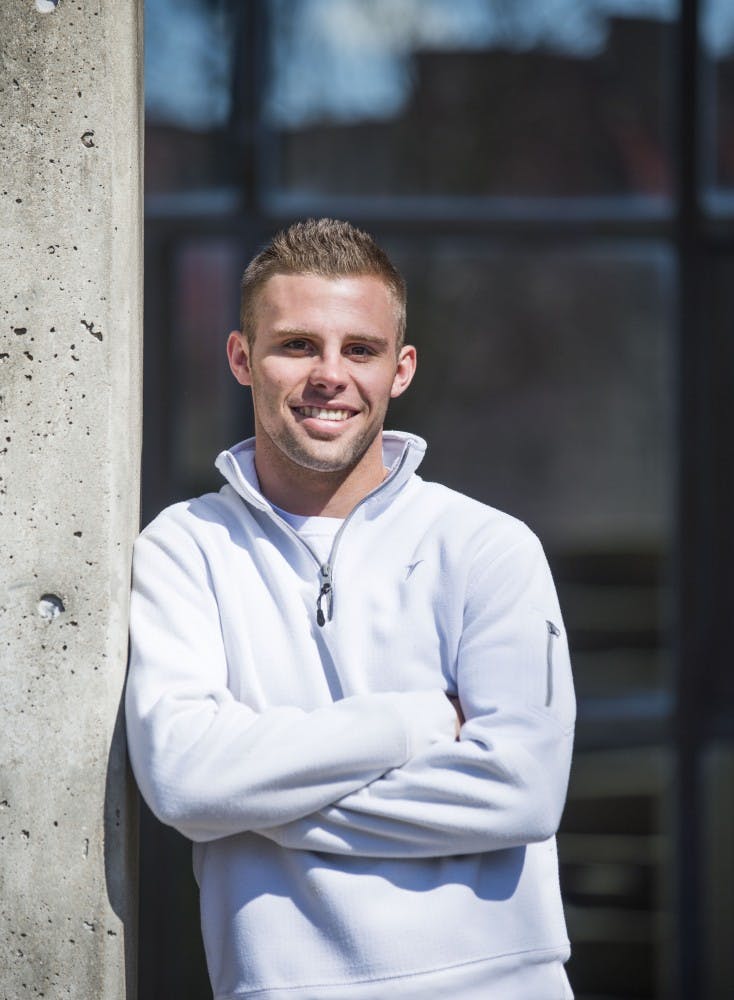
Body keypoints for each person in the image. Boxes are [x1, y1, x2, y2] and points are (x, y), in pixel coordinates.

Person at [126, 218, 576, 1000]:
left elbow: (523, 791)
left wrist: (254, 803)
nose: (330, 374)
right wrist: (415, 724)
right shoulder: (183, 548)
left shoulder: (489, 547)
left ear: (400, 370)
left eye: (359, 350)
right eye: (297, 344)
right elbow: (185, 778)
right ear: (242, 358)